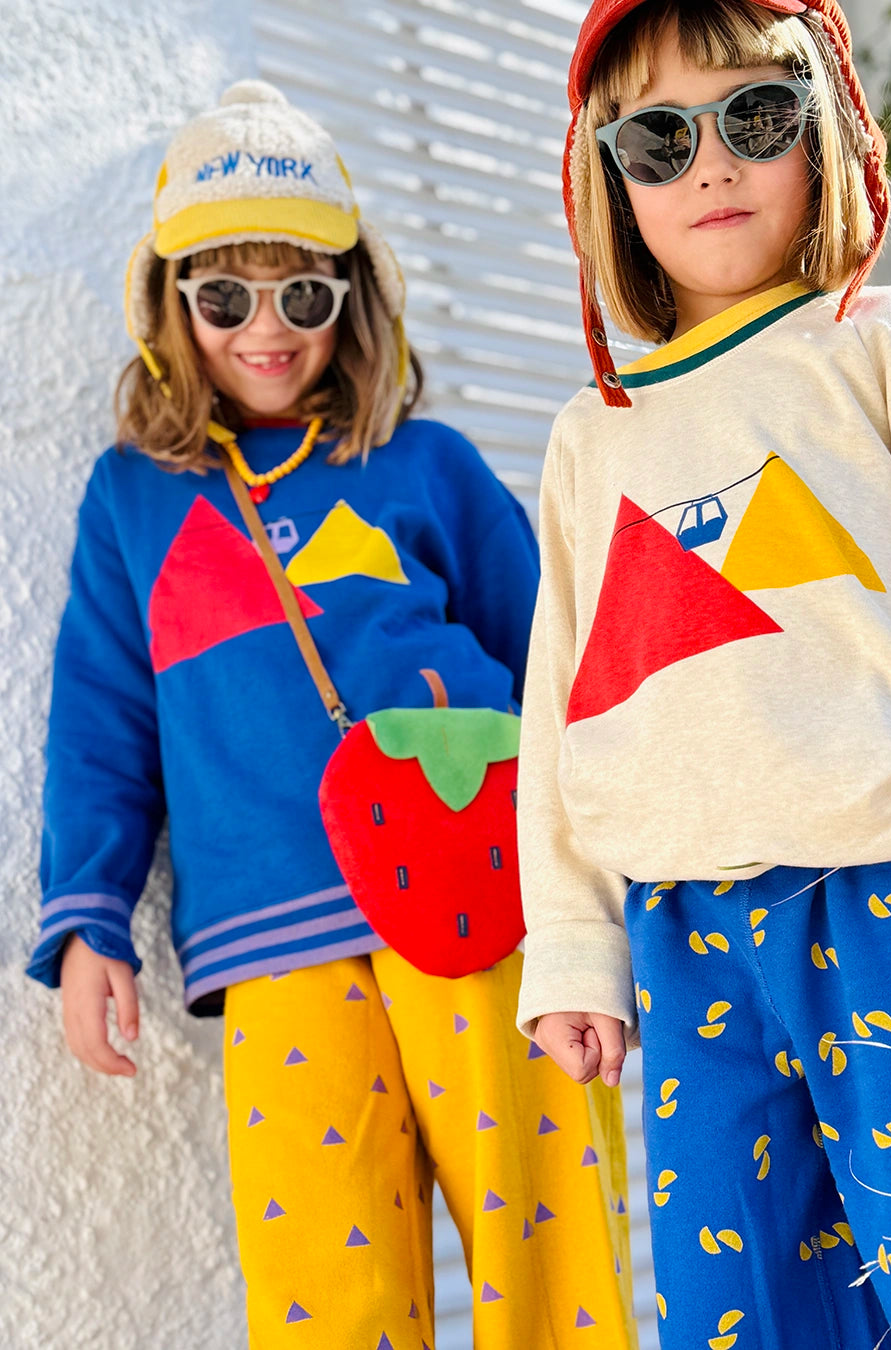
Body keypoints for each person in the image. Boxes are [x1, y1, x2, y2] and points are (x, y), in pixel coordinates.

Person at [27, 80, 637, 1350]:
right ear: (172, 306)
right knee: (325, 1296)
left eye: (302, 296)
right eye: (225, 298)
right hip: (274, 943)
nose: (267, 330)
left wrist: (602, 892)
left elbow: (557, 675)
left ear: (350, 300)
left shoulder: (429, 466)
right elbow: (101, 724)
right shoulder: (133, 499)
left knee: (550, 1260)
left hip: (485, 907)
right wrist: (90, 920)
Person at [515, 1, 891, 1346]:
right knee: (744, 1313)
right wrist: (574, 945)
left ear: (823, 129)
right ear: (608, 174)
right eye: (660, 139)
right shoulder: (593, 437)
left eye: (755, 117)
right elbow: (562, 709)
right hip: (686, 943)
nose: (711, 163)